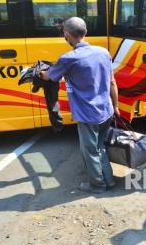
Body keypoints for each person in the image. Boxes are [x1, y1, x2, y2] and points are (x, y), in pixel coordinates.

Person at [40, 17, 120, 194]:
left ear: (67, 34)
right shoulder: (103, 52)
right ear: (85, 32)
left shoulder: (69, 58)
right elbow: (112, 82)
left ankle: (97, 185)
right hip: (106, 110)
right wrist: (115, 106)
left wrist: (40, 71)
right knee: (100, 147)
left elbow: (48, 76)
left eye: (64, 34)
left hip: (87, 114)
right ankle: (109, 180)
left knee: (90, 151)